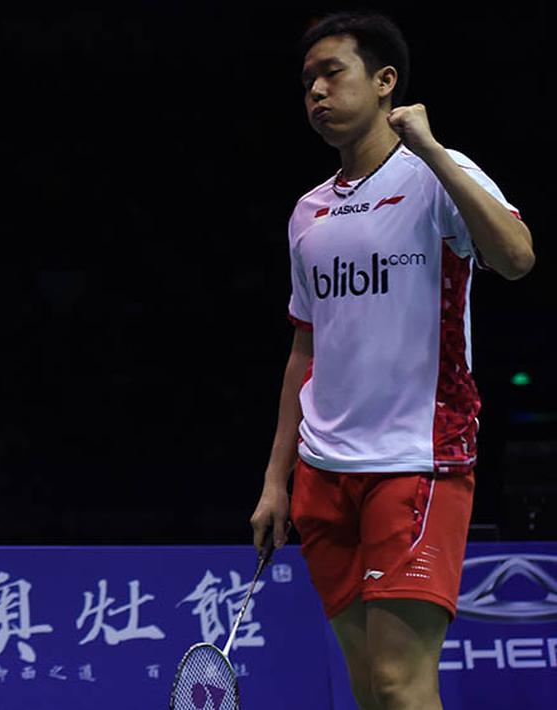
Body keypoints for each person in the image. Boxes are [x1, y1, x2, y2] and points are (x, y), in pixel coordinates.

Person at [248, 11, 534, 710]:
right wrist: (274, 478)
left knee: (400, 688)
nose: (314, 92)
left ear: (384, 82)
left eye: (331, 73)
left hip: (415, 460)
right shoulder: (306, 212)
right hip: (322, 472)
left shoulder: (439, 175)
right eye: (306, 81)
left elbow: (515, 259)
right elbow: (304, 347)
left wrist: (432, 149)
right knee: (368, 692)